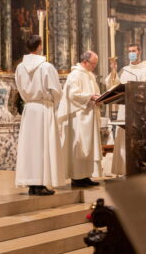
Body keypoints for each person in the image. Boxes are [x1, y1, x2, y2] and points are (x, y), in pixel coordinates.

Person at [15, 35, 64, 196]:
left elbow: (20, 88)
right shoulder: (46, 67)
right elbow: (56, 91)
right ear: (40, 46)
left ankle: (32, 183)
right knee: (43, 146)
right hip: (43, 108)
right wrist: (53, 101)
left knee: (30, 147)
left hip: (29, 108)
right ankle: (41, 182)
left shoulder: (20, 67)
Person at [105, 43, 146, 175]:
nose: (131, 53)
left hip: (138, 113)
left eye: (133, 51)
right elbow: (114, 86)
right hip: (124, 110)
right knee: (123, 142)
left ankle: (135, 170)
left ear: (139, 52)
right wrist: (114, 71)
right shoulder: (124, 70)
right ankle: (123, 170)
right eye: (129, 51)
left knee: (136, 142)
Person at [57, 51, 102, 187]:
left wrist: (99, 98)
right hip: (78, 118)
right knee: (79, 146)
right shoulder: (74, 75)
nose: (94, 66)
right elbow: (73, 95)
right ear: (85, 61)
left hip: (89, 115)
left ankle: (85, 176)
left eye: (95, 64)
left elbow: (96, 92)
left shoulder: (89, 75)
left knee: (89, 146)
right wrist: (90, 97)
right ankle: (77, 177)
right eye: (93, 63)